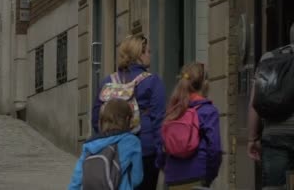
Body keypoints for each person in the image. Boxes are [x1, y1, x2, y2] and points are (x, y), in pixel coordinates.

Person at [92, 34, 166, 190]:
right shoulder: (152, 81)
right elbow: (159, 120)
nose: (150, 56)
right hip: (145, 150)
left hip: (113, 150)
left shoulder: (107, 82)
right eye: (148, 52)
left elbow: (95, 117)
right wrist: (161, 153)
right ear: (140, 54)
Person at [156, 62, 222, 189]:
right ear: (205, 83)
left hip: (173, 178)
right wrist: (210, 175)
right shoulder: (208, 111)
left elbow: (161, 147)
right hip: (198, 173)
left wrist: (167, 168)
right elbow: (214, 149)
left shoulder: (173, 111)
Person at [247, 23, 294, 189]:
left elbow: (255, 102)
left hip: (274, 137)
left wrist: (252, 138)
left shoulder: (269, 58)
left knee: (274, 186)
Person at [68, 98, 143, 190]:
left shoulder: (89, 144)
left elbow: (78, 176)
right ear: (127, 119)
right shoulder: (132, 142)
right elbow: (137, 177)